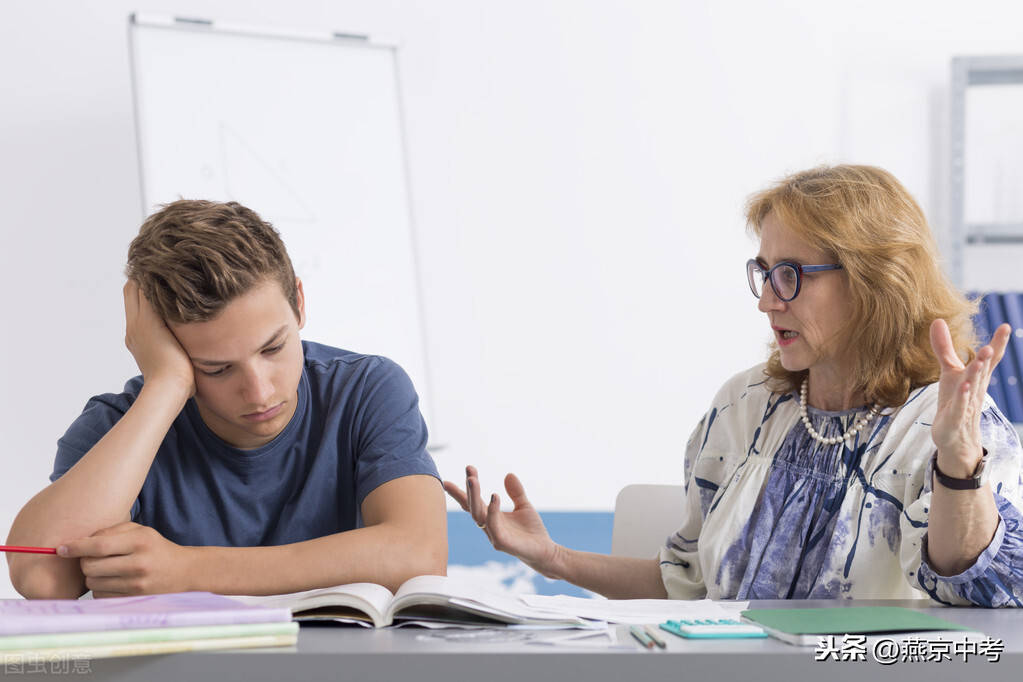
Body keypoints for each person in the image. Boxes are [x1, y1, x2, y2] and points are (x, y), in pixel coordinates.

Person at [445, 165, 1023, 606]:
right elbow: (686, 586)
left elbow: (974, 590)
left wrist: (957, 461)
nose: (768, 299)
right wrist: (552, 558)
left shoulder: (953, 424)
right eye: (764, 272)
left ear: (876, 283)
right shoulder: (746, 403)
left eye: (791, 275)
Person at [7, 200, 446, 599]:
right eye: (215, 369)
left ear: (299, 303)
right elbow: (42, 578)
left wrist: (187, 569)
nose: (260, 392)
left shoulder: (366, 390)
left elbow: (418, 554)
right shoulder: (118, 427)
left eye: (273, 348)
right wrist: (167, 386)